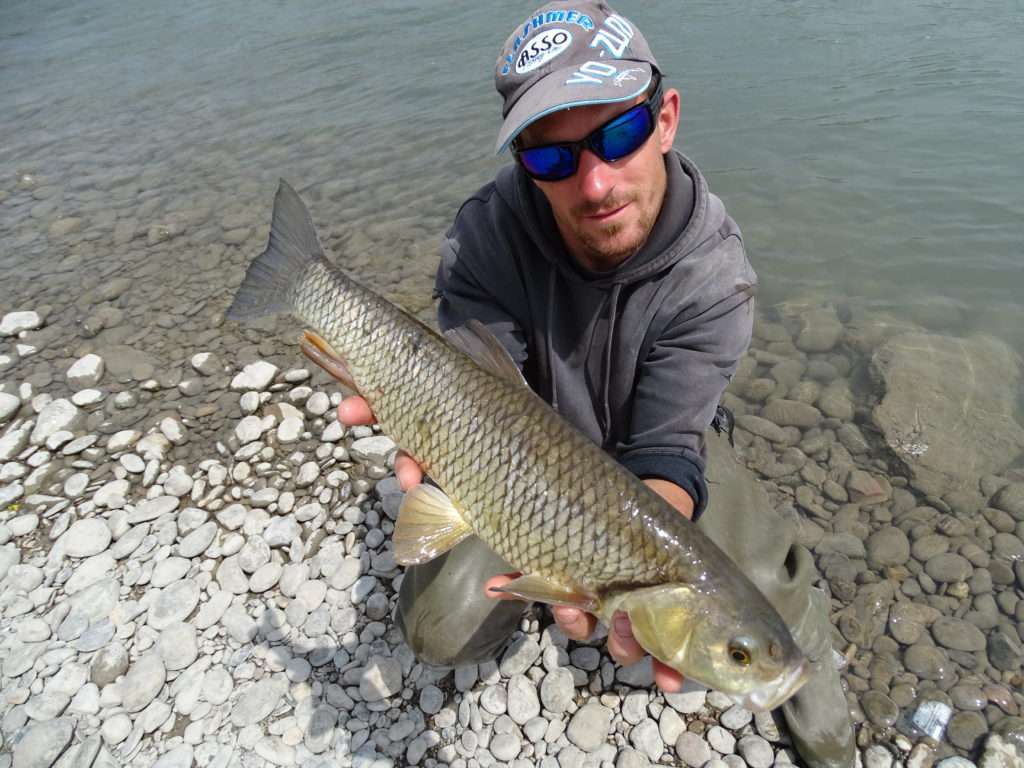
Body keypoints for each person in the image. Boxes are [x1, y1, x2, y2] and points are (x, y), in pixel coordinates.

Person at [336, 3, 855, 766]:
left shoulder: (715, 276)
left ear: (666, 118)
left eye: (618, 136)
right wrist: (422, 418)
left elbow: (669, 452)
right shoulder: (486, 233)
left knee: (765, 592)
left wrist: (634, 560)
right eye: (553, 160)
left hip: (657, 447)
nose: (596, 183)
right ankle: (546, 588)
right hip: (520, 455)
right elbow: (478, 389)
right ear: (524, 166)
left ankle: (832, 744)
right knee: (437, 631)